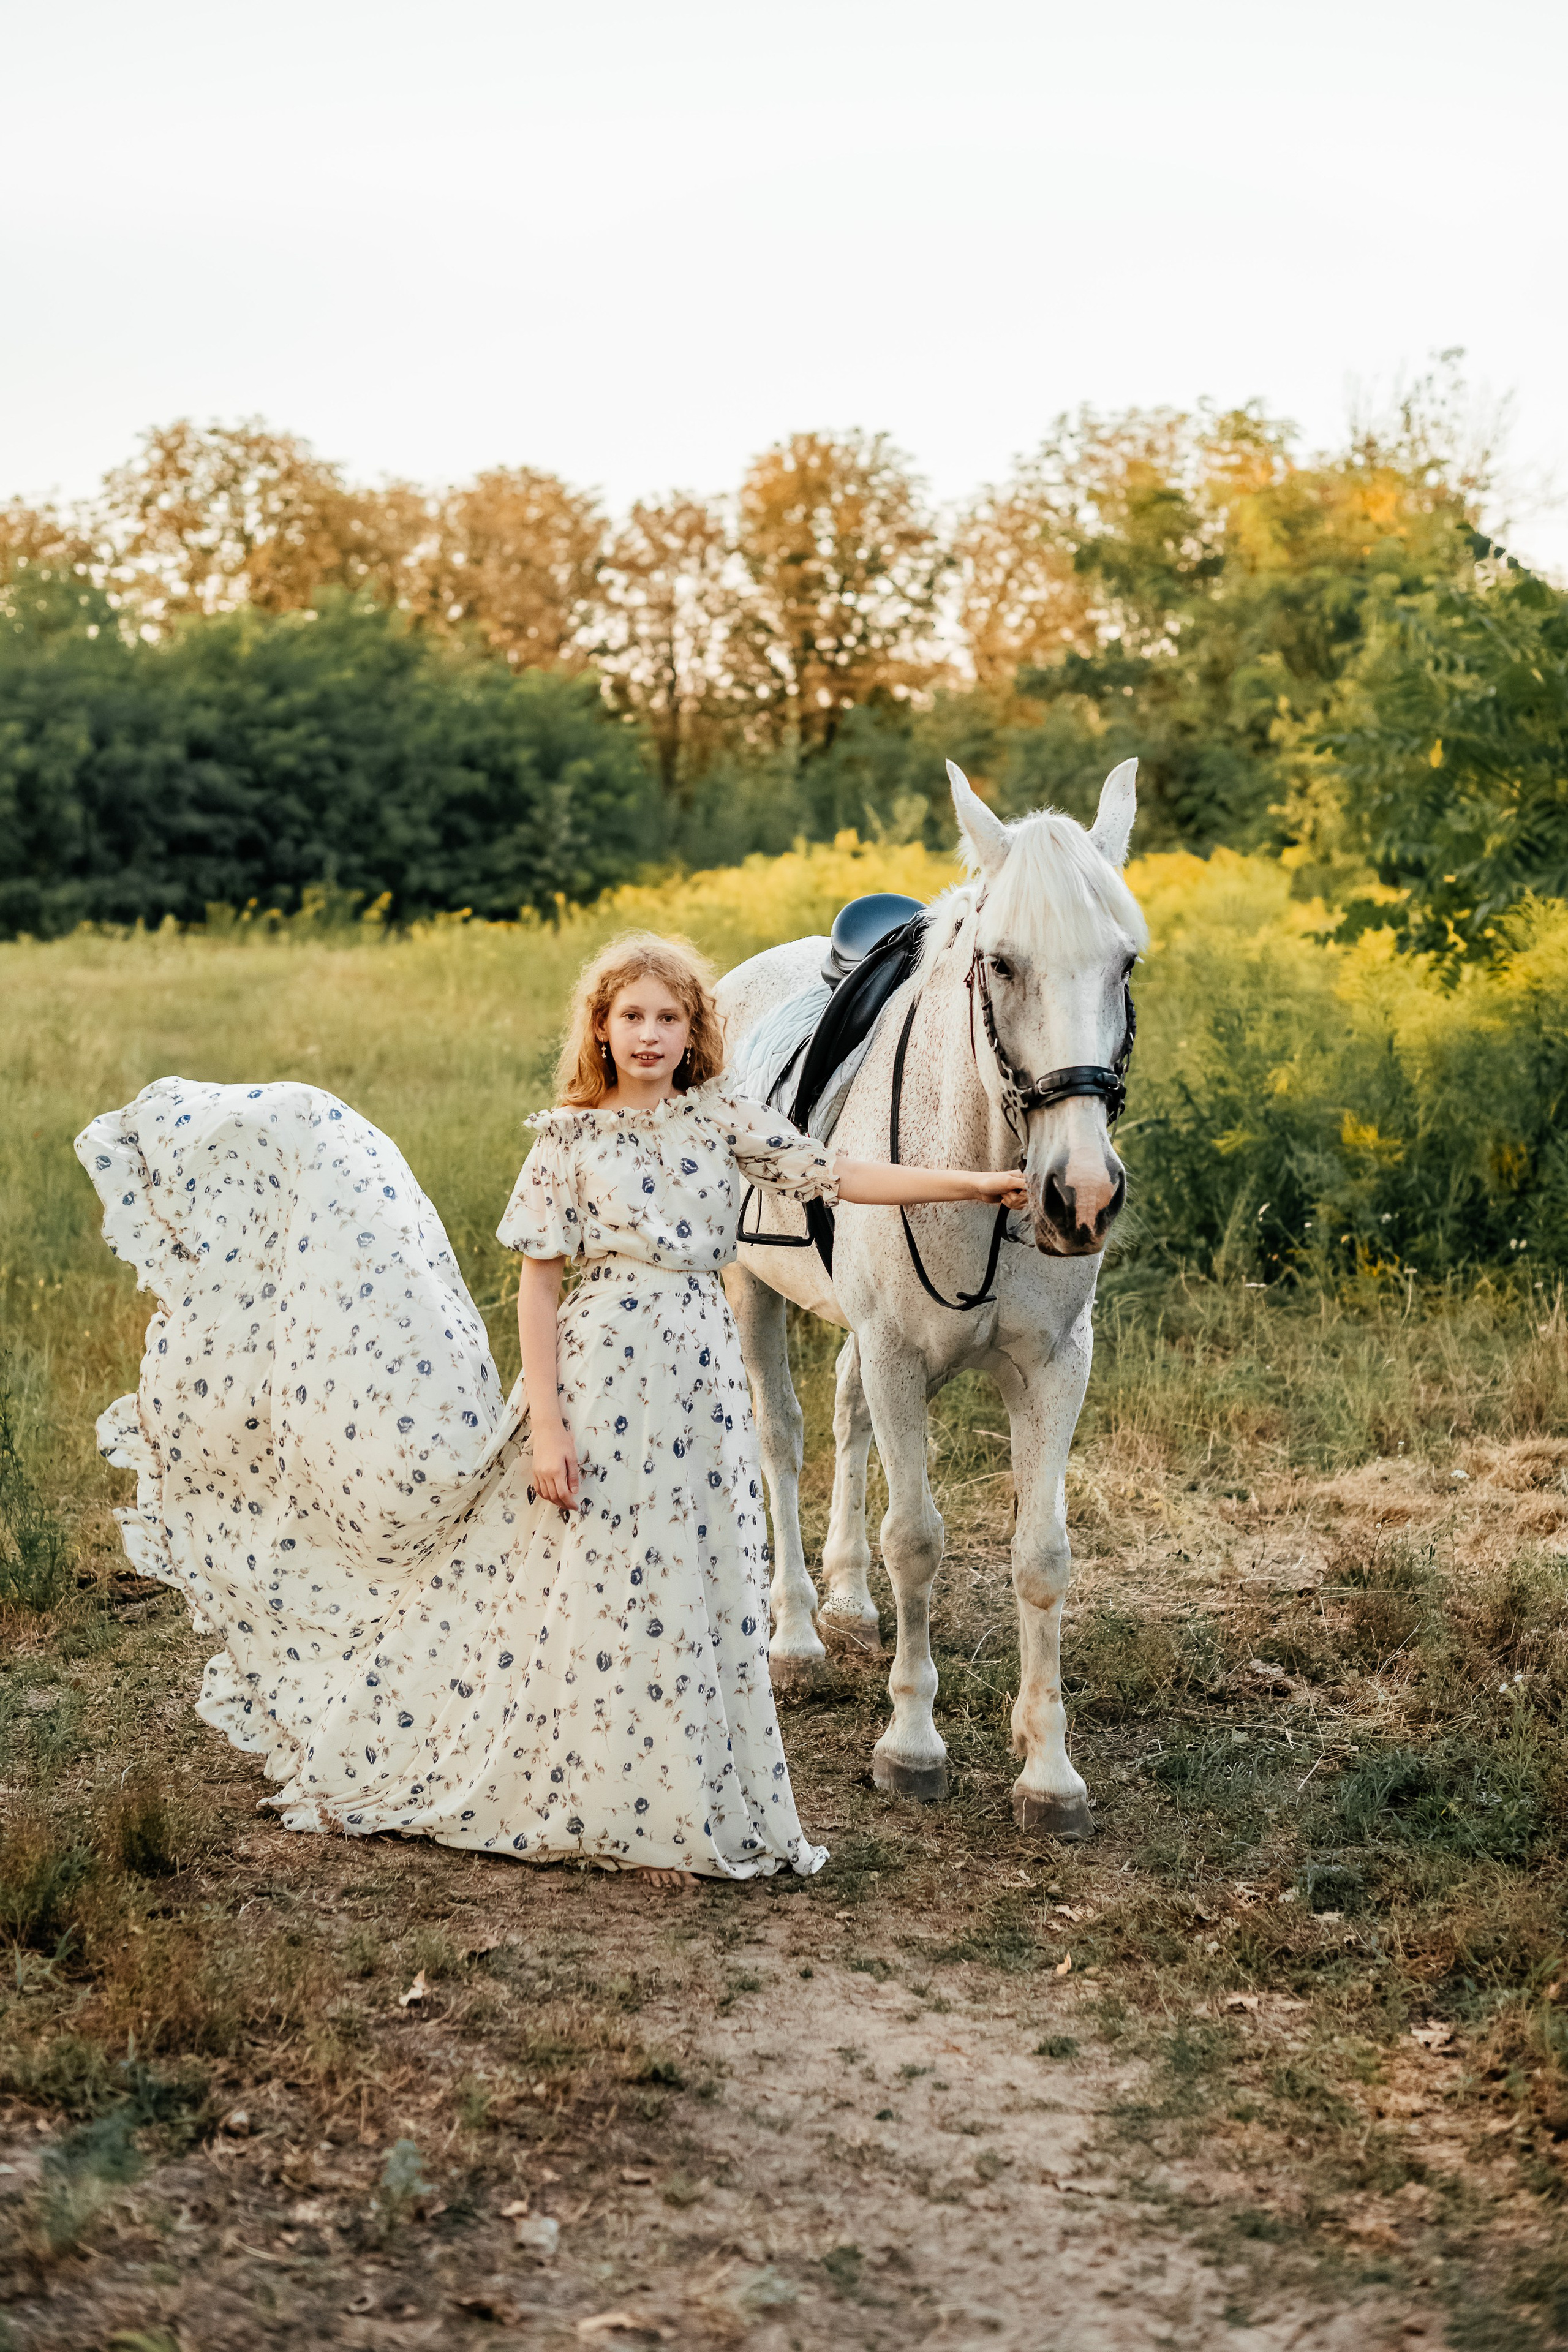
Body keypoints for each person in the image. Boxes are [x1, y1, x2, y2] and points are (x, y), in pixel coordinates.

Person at [77, 930, 1027, 1887]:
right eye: (632, 1018)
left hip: (700, 1374)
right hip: (603, 1370)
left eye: (670, 1018)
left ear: (695, 1030)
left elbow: (840, 1177)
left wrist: (978, 1183)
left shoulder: (723, 1120)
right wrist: (546, 1425)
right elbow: (538, 1289)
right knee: (610, 1582)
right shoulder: (567, 1143)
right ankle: (613, 1805)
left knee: (700, 1573)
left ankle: (685, 1798)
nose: (651, 1036)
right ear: (603, 1031)